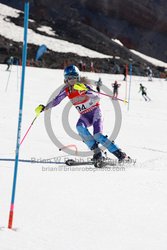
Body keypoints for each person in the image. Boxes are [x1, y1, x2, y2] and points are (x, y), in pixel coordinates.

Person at [36, 65, 130, 165]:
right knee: (79, 127)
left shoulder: (84, 86)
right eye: (69, 77)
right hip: (85, 116)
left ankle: (121, 155)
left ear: (78, 77)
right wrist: (45, 107)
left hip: (95, 112)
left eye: (74, 77)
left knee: (98, 135)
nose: (72, 80)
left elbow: (97, 98)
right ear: (65, 79)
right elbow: (56, 101)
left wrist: (85, 90)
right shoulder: (66, 90)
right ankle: (98, 153)